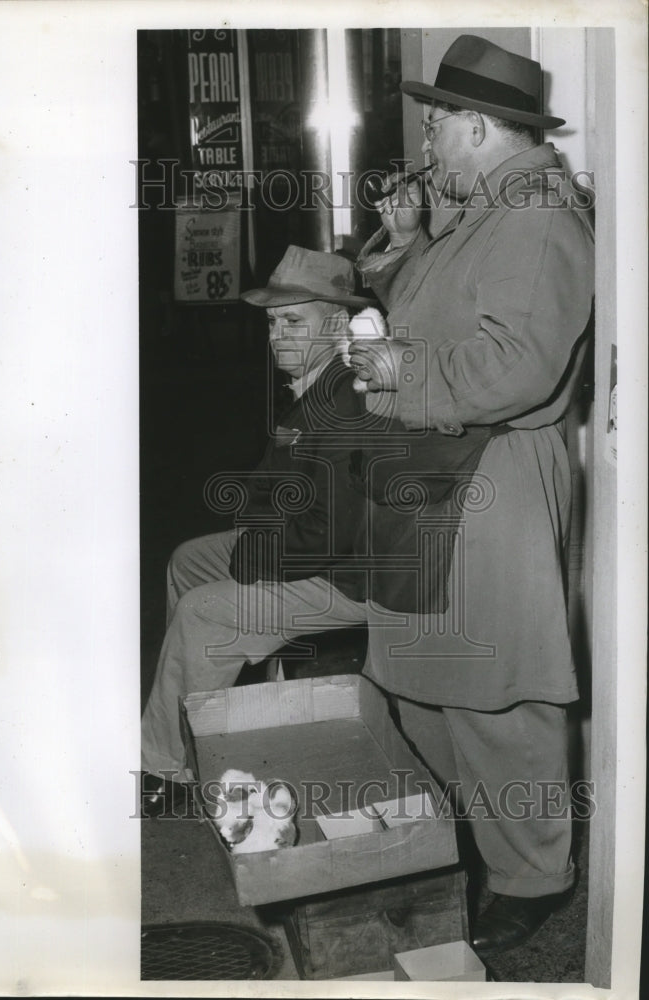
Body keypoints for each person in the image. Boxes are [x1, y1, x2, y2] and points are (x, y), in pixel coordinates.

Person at [347, 34, 595, 953]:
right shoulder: (489, 209)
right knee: (430, 681)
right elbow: (444, 313)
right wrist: (404, 254)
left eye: (439, 120)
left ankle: (533, 879)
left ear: (482, 126)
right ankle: (467, 853)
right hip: (443, 468)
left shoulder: (533, 216)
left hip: (490, 473)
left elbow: (516, 367)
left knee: (495, 694)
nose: (429, 138)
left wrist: (394, 366)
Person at [139, 245, 374, 817]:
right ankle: (210, 715)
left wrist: (253, 557)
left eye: (294, 320)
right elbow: (275, 483)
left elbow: (330, 535)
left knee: (202, 609)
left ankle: (165, 769)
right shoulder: (317, 384)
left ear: (339, 324)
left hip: (353, 579)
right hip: (305, 549)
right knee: (189, 560)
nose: (277, 334)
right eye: (272, 321)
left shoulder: (346, 399)